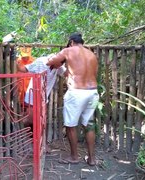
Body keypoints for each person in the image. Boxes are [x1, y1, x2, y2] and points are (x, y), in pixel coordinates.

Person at [46, 33, 99, 166]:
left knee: (70, 126)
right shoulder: (91, 54)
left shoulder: (68, 51)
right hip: (92, 92)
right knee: (89, 124)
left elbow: (50, 62)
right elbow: (94, 73)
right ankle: (92, 159)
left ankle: (74, 157)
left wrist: (54, 59)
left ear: (71, 42)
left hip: (77, 93)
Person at [17, 54, 66, 127]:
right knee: (30, 119)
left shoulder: (59, 67)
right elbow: (24, 69)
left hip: (43, 98)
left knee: (39, 120)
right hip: (33, 96)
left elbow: (68, 74)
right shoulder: (40, 62)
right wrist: (15, 60)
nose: (59, 66)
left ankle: (29, 135)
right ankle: (16, 129)